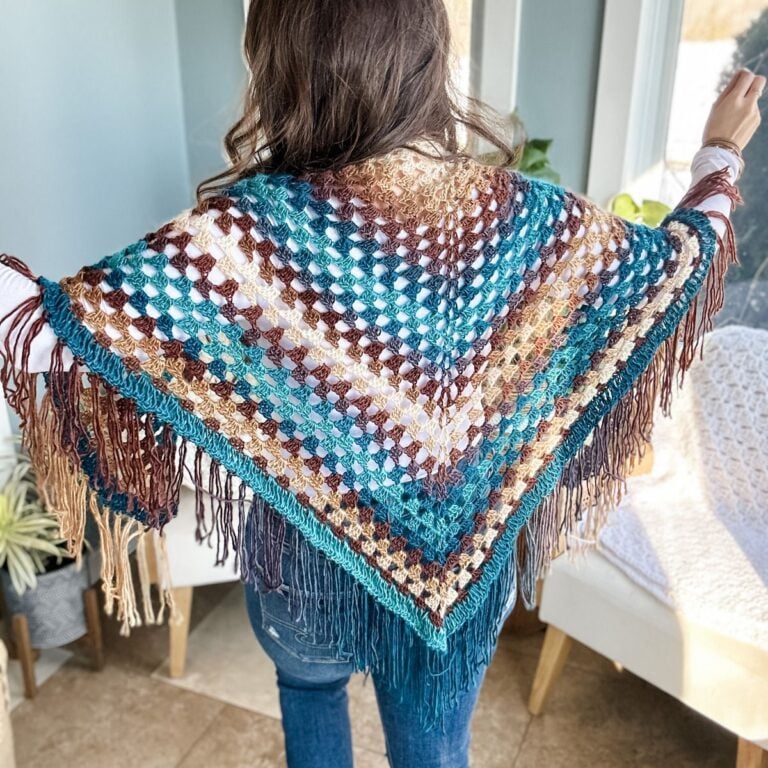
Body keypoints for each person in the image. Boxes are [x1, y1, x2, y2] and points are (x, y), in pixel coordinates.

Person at [0, 2, 763, 767]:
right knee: (434, 749)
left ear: (280, 66)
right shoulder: (529, 220)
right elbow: (677, 267)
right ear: (428, 58)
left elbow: (46, 330)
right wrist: (717, 157)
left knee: (310, 697)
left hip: (305, 575)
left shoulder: (239, 237)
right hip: (462, 580)